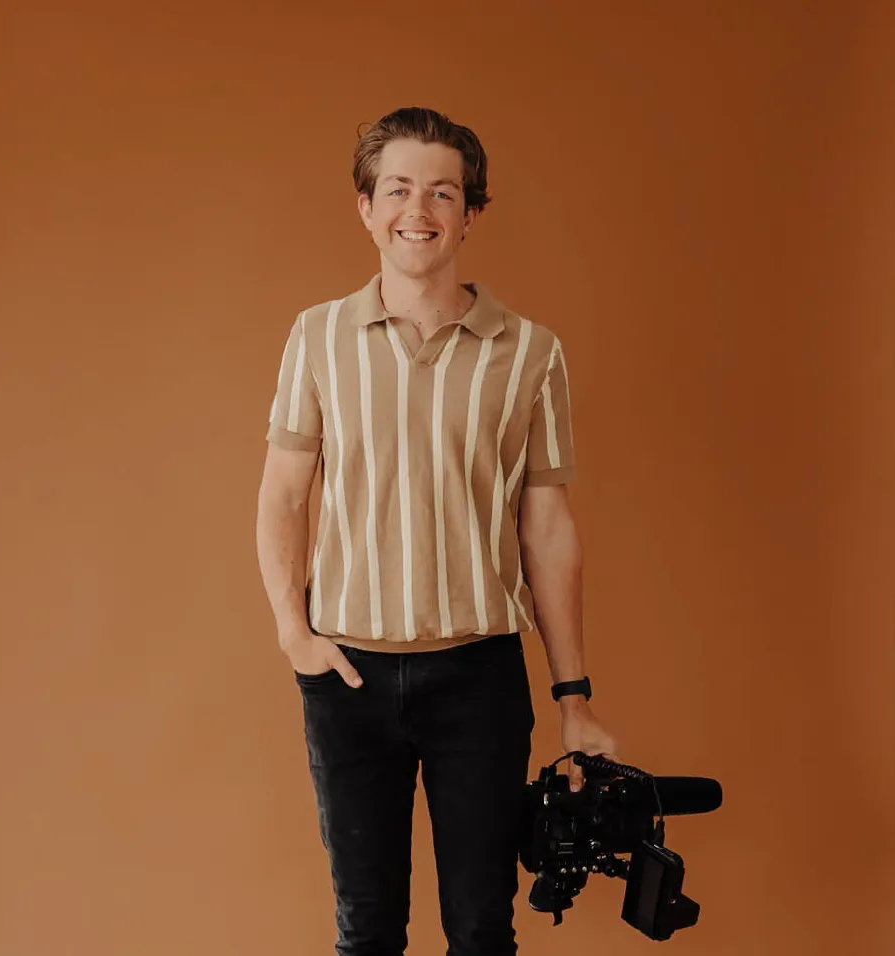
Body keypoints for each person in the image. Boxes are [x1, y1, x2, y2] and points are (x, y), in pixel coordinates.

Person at [255, 106, 618, 956]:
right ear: (366, 207)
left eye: (442, 192)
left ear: (470, 213)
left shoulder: (530, 352)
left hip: (479, 676)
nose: (417, 209)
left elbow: (548, 528)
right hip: (346, 676)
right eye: (398, 189)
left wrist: (574, 698)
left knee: (483, 931)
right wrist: (293, 634)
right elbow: (281, 495)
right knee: (367, 930)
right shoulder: (317, 338)